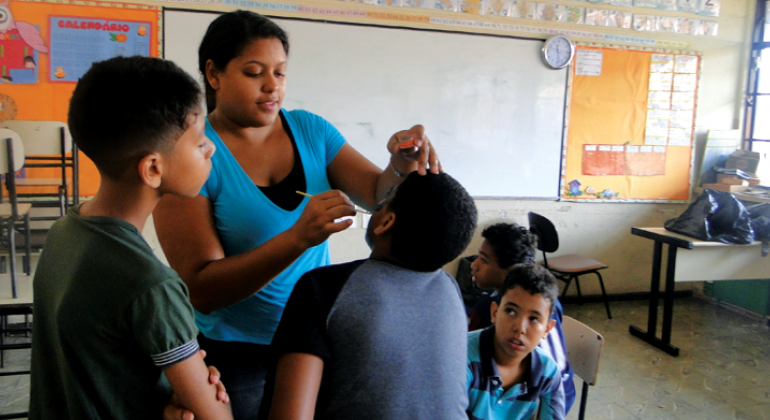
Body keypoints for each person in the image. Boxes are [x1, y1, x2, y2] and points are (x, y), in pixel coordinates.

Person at [153, 10, 441, 419]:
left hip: (312, 340)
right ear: (214, 74)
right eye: (255, 72)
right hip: (238, 353)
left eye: (281, 73)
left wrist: (400, 164)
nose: (272, 86)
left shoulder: (311, 131)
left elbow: (378, 194)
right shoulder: (193, 156)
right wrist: (297, 238)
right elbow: (203, 289)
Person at [29, 56, 231, 420]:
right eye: (200, 142)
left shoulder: (64, 232)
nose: (211, 149)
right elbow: (215, 417)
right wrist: (206, 394)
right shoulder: (152, 286)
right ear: (153, 168)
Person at [261, 171, 476, 419]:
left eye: (383, 203)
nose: (377, 207)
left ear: (386, 223)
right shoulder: (451, 290)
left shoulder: (322, 287)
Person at [467, 223, 576, 413]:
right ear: (496, 312)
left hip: (544, 397)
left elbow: (554, 377)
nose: (473, 265)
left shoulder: (485, 308)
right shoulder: (549, 303)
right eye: (510, 312)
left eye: (484, 260)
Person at [466, 264, 566, 420]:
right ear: (495, 312)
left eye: (534, 319)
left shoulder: (548, 372)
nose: (520, 328)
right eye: (511, 311)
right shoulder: (463, 358)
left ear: (547, 329)